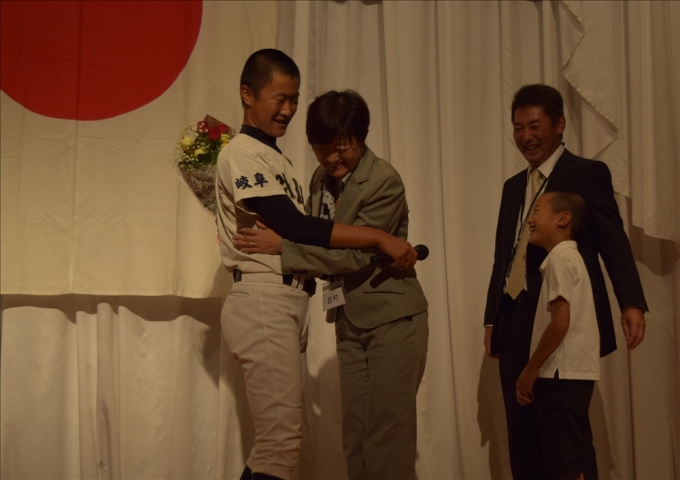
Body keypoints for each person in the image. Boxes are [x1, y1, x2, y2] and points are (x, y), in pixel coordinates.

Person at [217, 52, 418, 480]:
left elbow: (314, 241)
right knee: (291, 442)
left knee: (379, 434)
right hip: (271, 301)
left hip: (370, 312)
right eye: (280, 99)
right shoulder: (255, 156)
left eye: (293, 99)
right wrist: (378, 237)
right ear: (248, 94)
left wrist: (289, 247)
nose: (287, 109)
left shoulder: (374, 178)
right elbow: (296, 227)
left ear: (360, 137)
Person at [483, 83, 648, 479]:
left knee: (563, 435)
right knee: (521, 430)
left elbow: (613, 241)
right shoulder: (512, 187)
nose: (526, 136)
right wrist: (492, 318)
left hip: (559, 316)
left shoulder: (586, 173)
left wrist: (631, 302)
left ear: (559, 125)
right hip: (514, 317)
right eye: (518, 127)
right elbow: (504, 255)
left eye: (534, 126)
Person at [516, 191, 598, 480]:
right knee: (571, 462)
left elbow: (560, 323)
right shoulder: (568, 257)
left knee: (563, 466)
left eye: (537, 211)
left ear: (563, 219)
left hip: (560, 376)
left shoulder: (560, 258)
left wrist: (530, 369)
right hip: (570, 375)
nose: (530, 220)